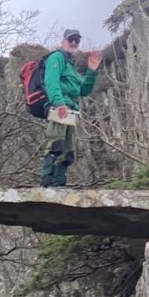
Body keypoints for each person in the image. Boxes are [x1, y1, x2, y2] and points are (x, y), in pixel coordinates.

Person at [40, 28, 102, 188]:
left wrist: (92, 72)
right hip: (59, 107)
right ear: (63, 41)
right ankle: (47, 184)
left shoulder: (70, 66)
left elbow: (83, 90)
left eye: (77, 40)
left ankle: (59, 184)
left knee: (67, 151)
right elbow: (51, 81)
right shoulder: (56, 57)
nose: (74, 42)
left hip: (70, 111)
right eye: (70, 39)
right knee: (56, 143)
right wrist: (59, 103)